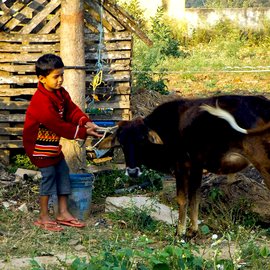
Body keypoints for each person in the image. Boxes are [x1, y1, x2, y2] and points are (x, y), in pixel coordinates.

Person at [23, 53, 102, 232]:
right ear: (41, 79)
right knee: (49, 177)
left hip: (51, 144)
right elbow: (58, 126)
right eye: (56, 76)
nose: (60, 80)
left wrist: (85, 121)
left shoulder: (60, 93)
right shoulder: (40, 101)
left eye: (62, 75)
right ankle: (43, 216)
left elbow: (71, 110)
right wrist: (82, 132)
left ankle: (63, 212)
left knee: (63, 172)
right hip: (38, 146)